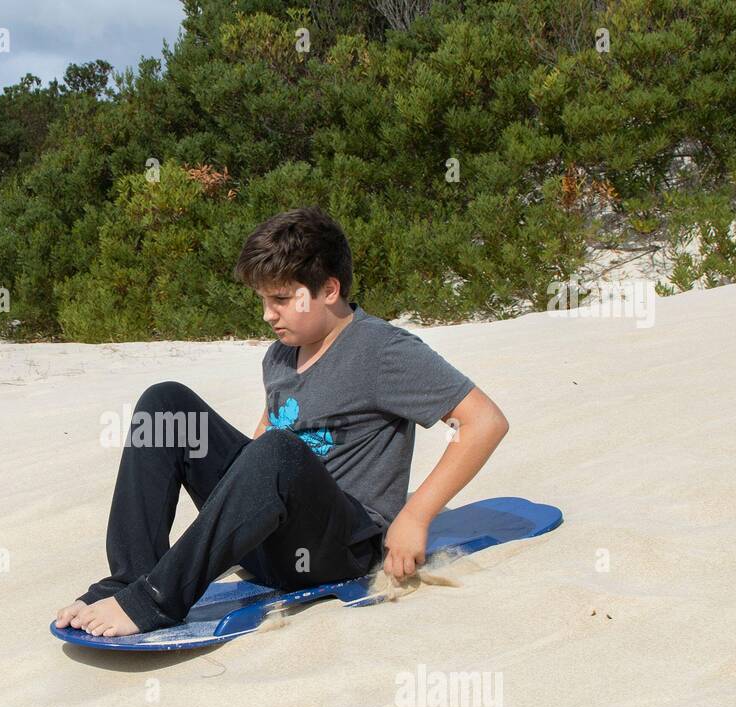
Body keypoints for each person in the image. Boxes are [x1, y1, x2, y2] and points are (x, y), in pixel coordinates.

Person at [56, 206, 509, 639]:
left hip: (338, 549)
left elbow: (484, 422)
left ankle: (155, 599)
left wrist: (415, 515)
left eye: (280, 299)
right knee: (166, 405)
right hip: (270, 541)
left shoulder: (382, 351)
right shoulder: (281, 353)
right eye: (262, 299)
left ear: (329, 290)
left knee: (278, 451)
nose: (267, 314)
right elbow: (262, 447)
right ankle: (130, 578)